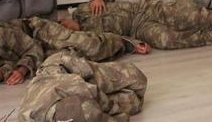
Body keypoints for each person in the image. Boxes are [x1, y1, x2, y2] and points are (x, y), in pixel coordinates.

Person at [0, 17, 148, 88]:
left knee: (89, 46)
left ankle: (123, 41)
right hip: (37, 55)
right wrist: (1, 73)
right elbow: (5, 63)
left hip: (38, 33)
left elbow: (33, 48)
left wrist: (21, 70)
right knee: (78, 61)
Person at [18, 50, 148, 121]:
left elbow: (115, 114)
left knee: (137, 79)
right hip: (70, 98)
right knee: (134, 103)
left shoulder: (73, 89)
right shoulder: (27, 118)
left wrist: (119, 116)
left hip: (63, 66)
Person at [71, 0, 212, 49]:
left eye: (63, 24)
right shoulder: (84, 38)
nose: (67, 27)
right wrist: (134, 45)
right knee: (166, 40)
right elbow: (112, 43)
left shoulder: (82, 9)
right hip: (138, 29)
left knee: (191, 16)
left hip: (142, 8)